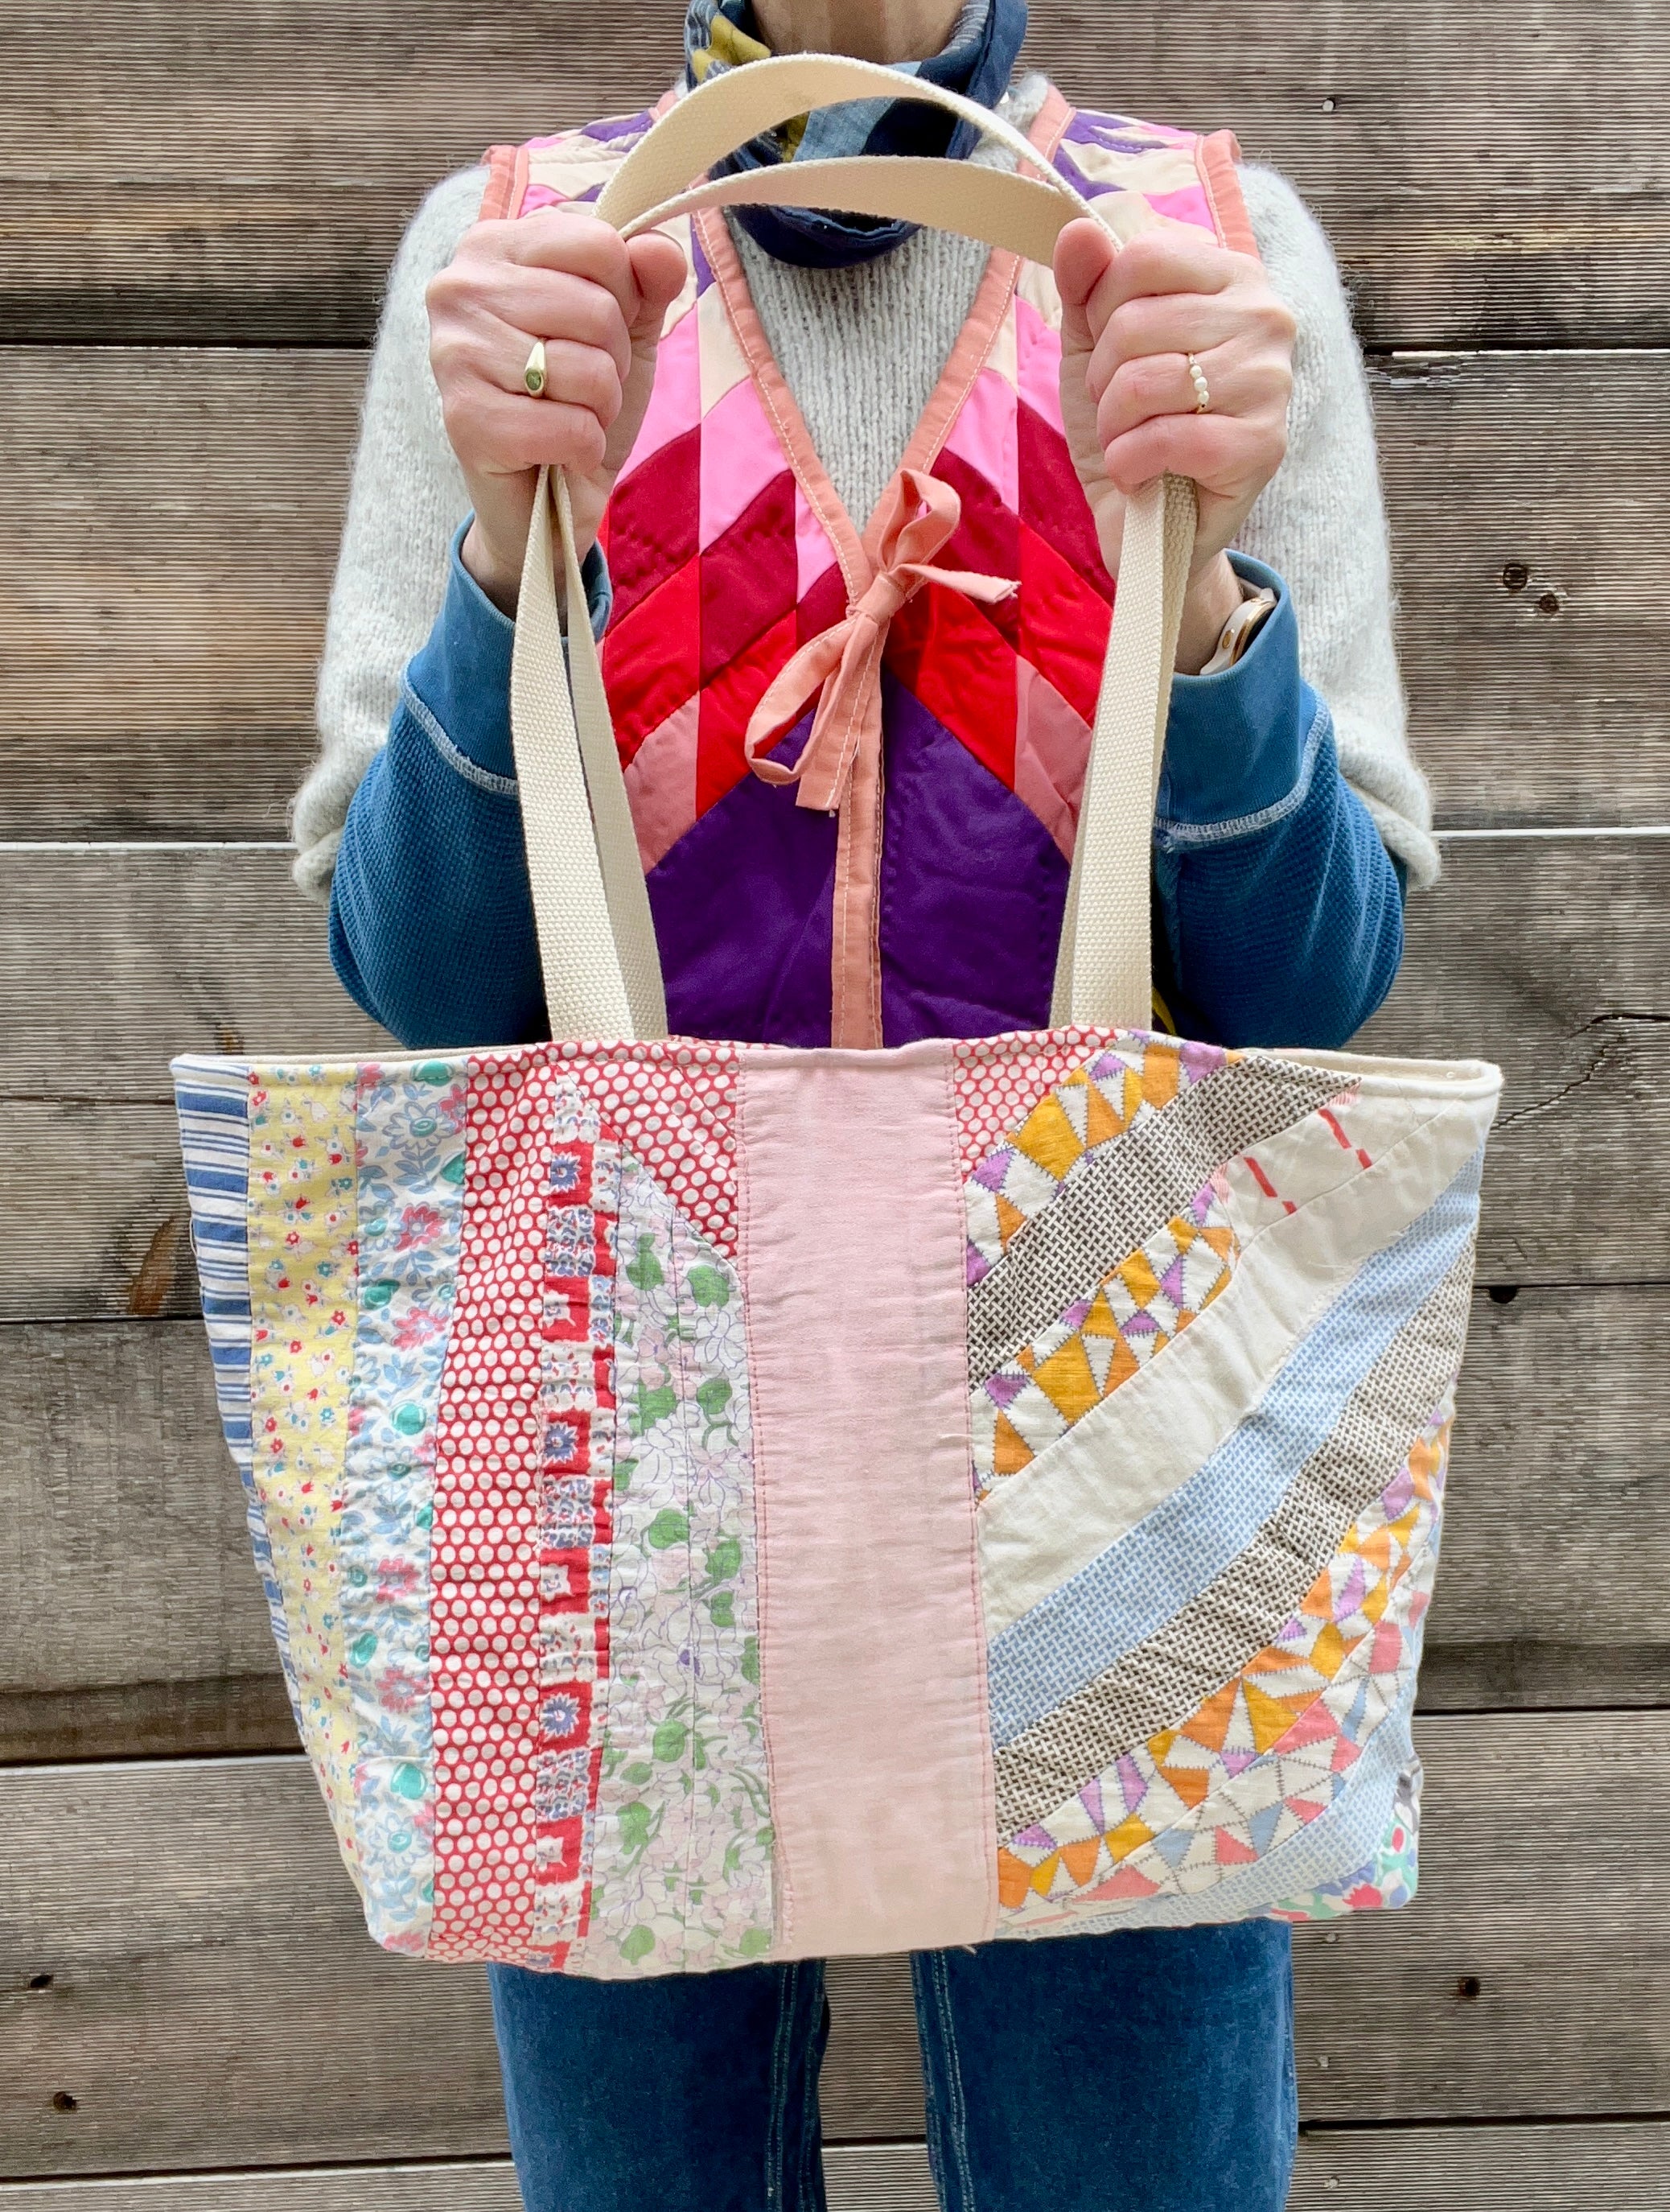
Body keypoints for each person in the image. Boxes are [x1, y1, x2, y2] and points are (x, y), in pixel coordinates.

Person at [290, 3, 1435, 2206]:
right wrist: (516, 549)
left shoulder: (1200, 257)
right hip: (609, 1432)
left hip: (1124, 1424)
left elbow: (1318, 982)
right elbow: (425, 976)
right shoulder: (527, 251)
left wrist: (1197, 599)